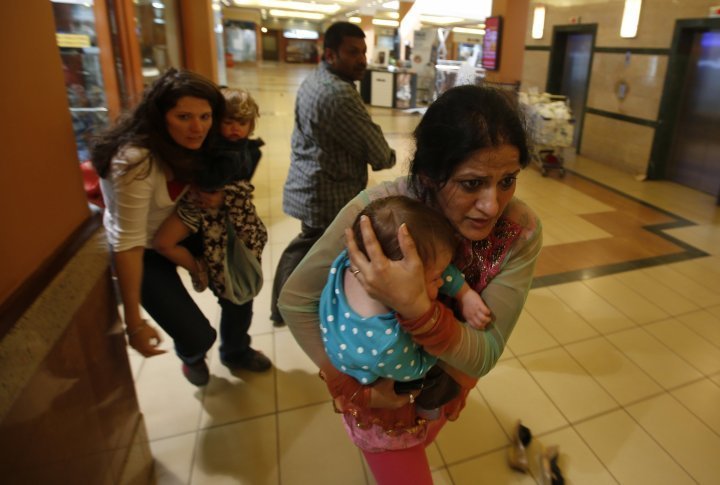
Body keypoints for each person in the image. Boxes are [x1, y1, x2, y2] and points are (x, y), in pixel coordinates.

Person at [279, 84, 542, 484]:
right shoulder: (380, 216)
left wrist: (418, 310)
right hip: (381, 406)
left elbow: (485, 351)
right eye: (472, 183)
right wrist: (352, 387)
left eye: (507, 180)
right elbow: (296, 300)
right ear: (430, 177)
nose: (492, 205)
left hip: (438, 387)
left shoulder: (518, 230)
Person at [91, 68, 271, 388]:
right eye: (184, 116)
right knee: (197, 335)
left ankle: (236, 351)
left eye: (205, 116)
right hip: (142, 250)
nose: (197, 127)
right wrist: (134, 322)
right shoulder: (134, 162)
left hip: (185, 229)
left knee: (238, 294)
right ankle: (192, 356)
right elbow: (127, 243)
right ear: (159, 116)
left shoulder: (205, 144)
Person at [270, 21, 397, 327]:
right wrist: (388, 153)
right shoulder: (338, 96)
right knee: (312, 250)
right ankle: (290, 307)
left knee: (308, 246)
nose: (362, 59)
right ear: (330, 54)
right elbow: (380, 154)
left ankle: (285, 307)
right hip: (327, 192)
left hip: (312, 181)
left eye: (364, 51)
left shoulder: (316, 79)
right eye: (353, 52)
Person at [320, 195, 492, 392]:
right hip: (370, 375)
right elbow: (417, 368)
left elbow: (434, 266)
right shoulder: (389, 343)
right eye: (435, 278)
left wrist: (464, 293)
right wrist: (434, 340)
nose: (442, 280)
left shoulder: (353, 262)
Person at [216, 87, 264, 181]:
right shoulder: (211, 149)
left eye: (242, 123)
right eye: (228, 122)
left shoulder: (253, 152)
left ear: (250, 125)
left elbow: (245, 183)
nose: (235, 128)